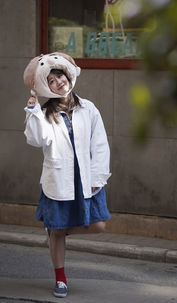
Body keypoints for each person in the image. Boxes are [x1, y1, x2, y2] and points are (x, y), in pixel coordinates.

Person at [23, 52, 111, 298]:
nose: (58, 82)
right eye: (50, 80)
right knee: (58, 232)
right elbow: (36, 139)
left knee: (99, 225)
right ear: (47, 87)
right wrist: (32, 108)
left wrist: (98, 178)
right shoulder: (45, 113)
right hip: (59, 180)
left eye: (59, 75)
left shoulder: (89, 108)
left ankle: (57, 229)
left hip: (86, 179)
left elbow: (100, 145)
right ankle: (60, 279)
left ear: (68, 76)